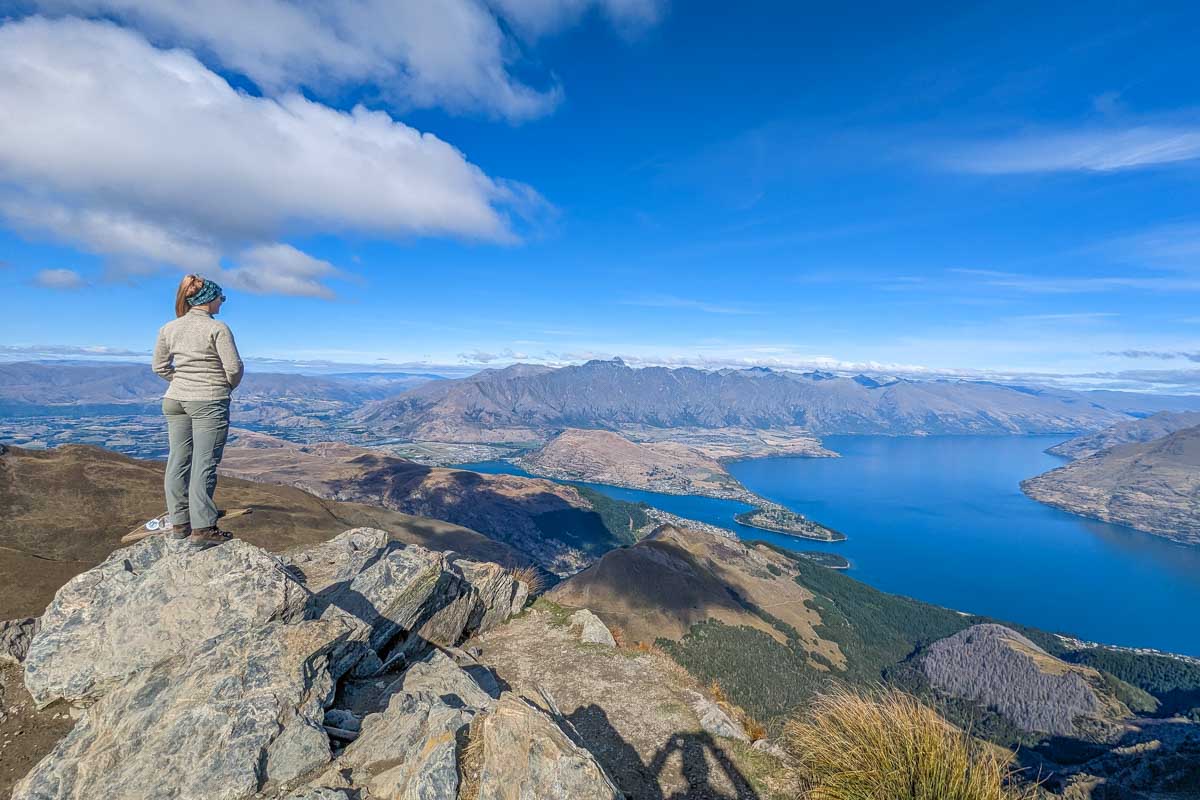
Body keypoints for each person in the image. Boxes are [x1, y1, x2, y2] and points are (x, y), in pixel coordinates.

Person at [152, 275, 244, 547]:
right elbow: (234, 368)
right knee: (205, 463)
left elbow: (159, 367)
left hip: (174, 400)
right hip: (209, 400)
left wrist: (182, 382)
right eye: (221, 298)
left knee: (178, 460)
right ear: (209, 299)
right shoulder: (218, 328)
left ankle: (179, 523)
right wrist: (223, 386)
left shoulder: (169, 328)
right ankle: (203, 529)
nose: (222, 303)